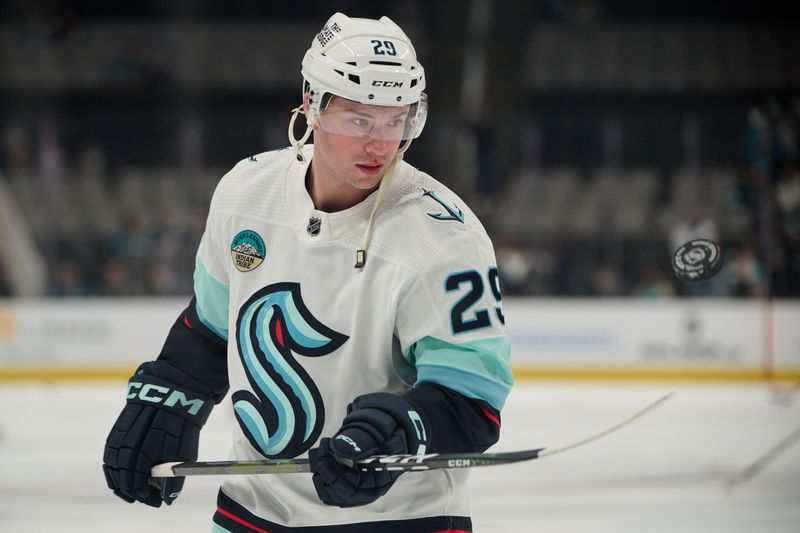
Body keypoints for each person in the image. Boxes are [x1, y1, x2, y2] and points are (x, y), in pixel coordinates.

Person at [102, 13, 513, 532]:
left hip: (399, 520)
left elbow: (474, 400)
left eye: (397, 120)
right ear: (311, 104)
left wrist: (401, 429)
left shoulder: (444, 236)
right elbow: (212, 325)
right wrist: (171, 392)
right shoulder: (245, 192)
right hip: (251, 512)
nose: (380, 144)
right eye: (359, 119)